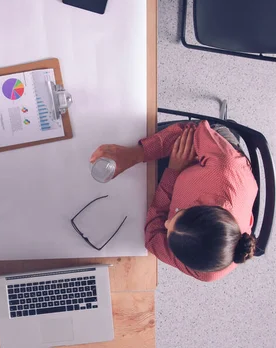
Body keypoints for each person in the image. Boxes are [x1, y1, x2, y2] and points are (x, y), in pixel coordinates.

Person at [90, 121, 258, 282]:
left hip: (182, 173)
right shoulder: (223, 167)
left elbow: (153, 238)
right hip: (219, 155)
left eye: (168, 231)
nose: (166, 223)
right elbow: (190, 132)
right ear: (199, 205)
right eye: (177, 214)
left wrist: (173, 171)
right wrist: (136, 154)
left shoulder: (206, 270)